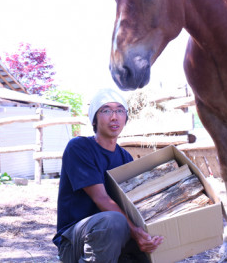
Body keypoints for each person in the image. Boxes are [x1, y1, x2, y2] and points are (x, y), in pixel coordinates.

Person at [53, 88, 164, 263]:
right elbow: (101, 198)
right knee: (114, 221)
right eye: (106, 110)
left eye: (120, 110)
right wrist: (135, 232)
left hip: (114, 240)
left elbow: (131, 205)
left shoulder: (125, 157)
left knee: (154, 237)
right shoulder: (79, 147)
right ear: (94, 119)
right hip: (76, 242)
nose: (114, 117)